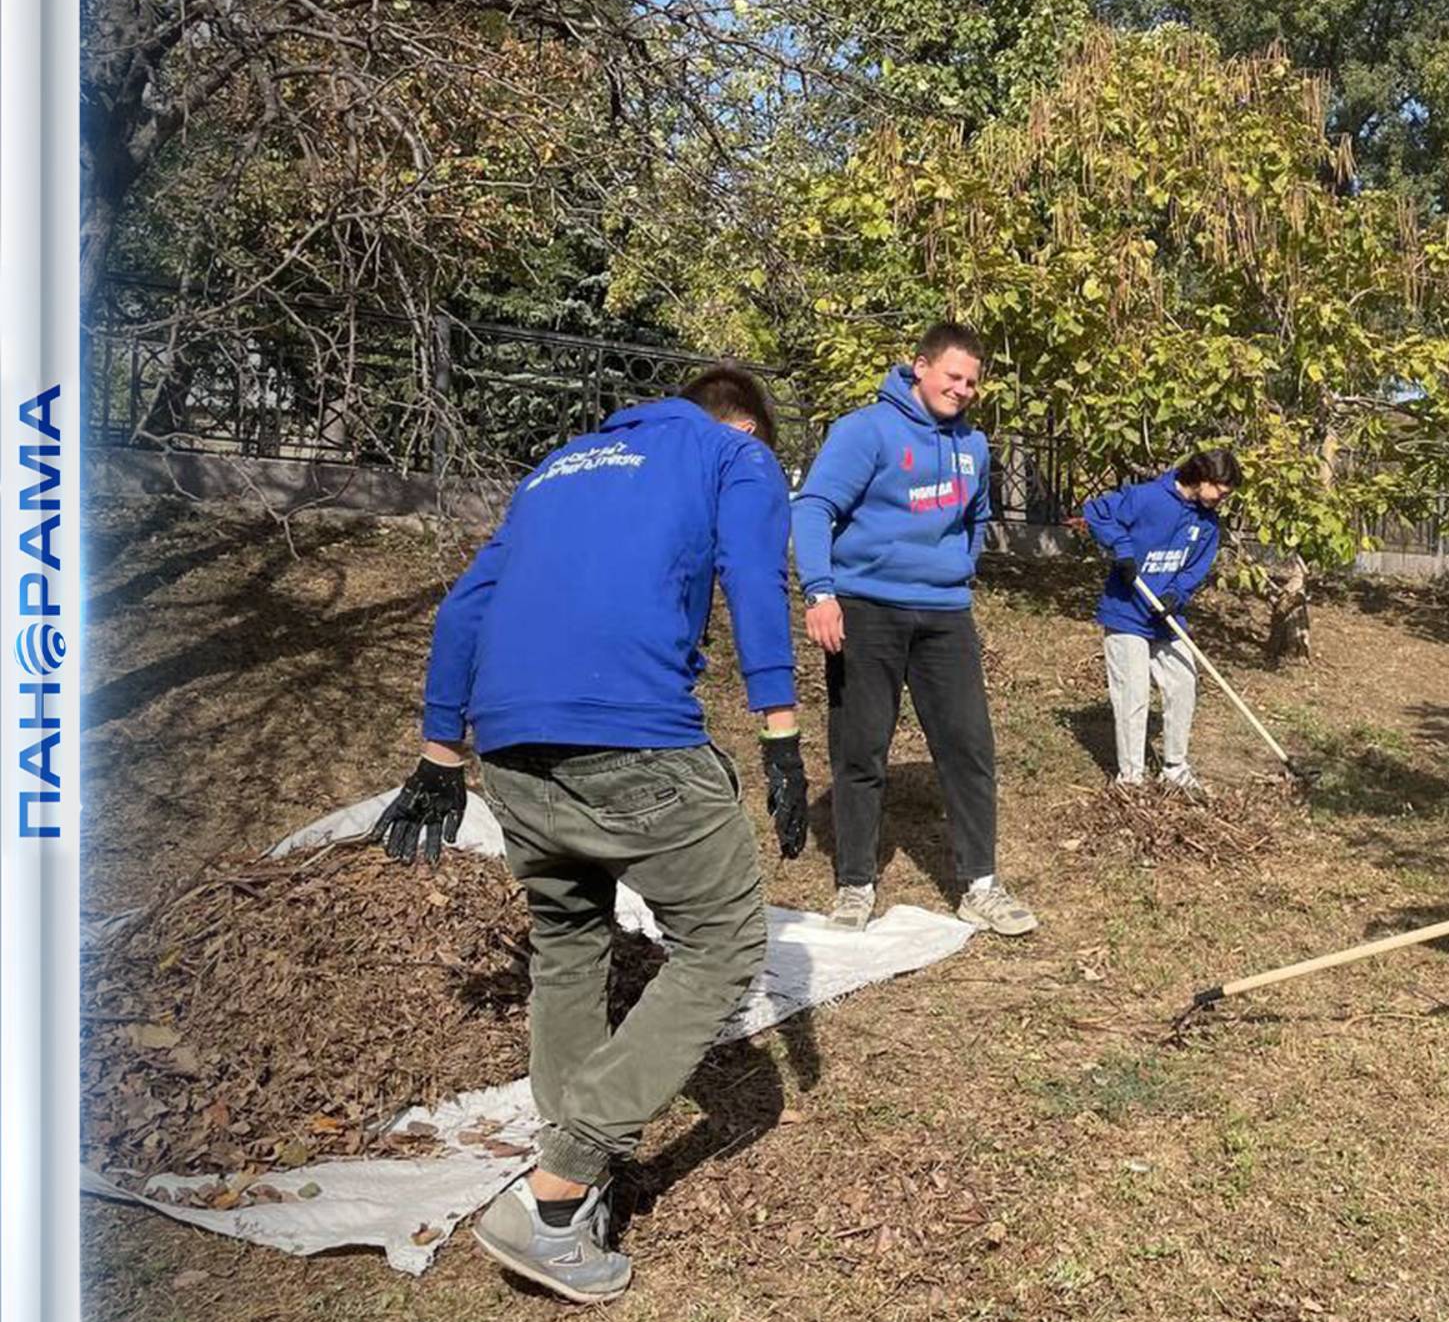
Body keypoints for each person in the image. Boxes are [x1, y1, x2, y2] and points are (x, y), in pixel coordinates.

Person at [370, 365, 811, 1303]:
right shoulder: (737, 454)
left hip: (511, 752)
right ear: (745, 428)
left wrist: (439, 752)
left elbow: (465, 608)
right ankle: (560, 1188)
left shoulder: (560, 466)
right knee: (724, 943)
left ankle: (569, 1187)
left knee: (568, 942)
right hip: (633, 742)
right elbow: (752, 577)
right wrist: (781, 731)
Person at [792, 322, 1036, 936]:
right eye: (953, 376)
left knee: (969, 746)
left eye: (973, 381)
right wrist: (820, 591)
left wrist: (957, 569)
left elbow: (976, 518)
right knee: (860, 749)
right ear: (920, 367)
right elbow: (814, 507)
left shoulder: (973, 445)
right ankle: (855, 884)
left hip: (945, 613)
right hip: (867, 609)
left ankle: (979, 884)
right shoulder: (865, 430)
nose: (963, 389)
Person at [1079, 449, 1242, 791]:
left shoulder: (1208, 523)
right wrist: (1121, 549)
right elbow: (1096, 511)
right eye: (1221, 492)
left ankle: (1175, 767)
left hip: (1166, 617)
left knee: (1183, 683)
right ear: (1201, 478)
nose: (1222, 500)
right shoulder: (1147, 498)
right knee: (1133, 693)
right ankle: (1131, 778)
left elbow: (1194, 569)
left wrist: (1176, 595)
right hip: (1126, 613)